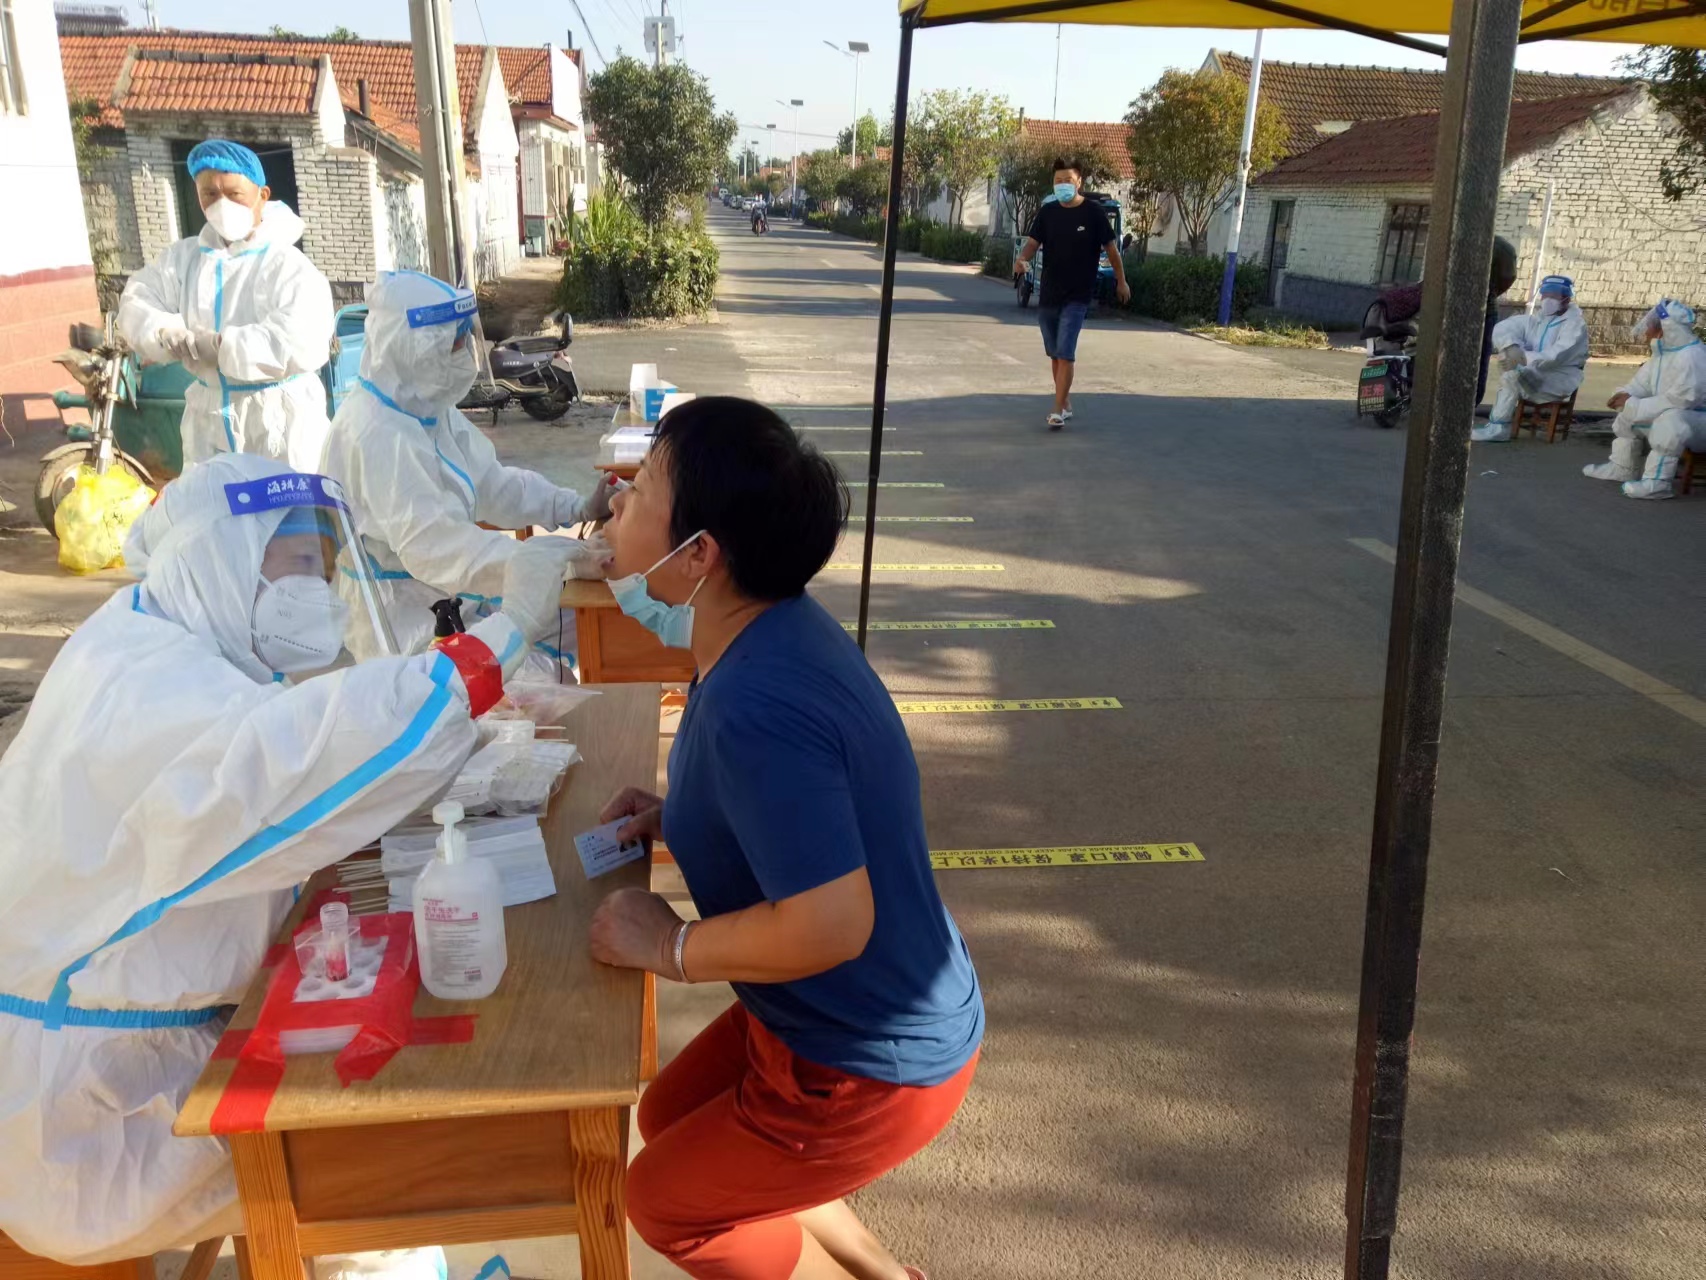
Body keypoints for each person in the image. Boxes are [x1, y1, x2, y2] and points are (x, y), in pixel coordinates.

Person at [0, 452, 573, 1264]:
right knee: (363, 1165)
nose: (318, 587)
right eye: (298, 560)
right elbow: (295, 756)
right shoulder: (152, 691)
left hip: (126, 1047)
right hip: (93, 1116)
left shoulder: (145, 632)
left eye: (326, 566)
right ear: (221, 555)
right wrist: (500, 636)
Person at [586, 397, 983, 1280]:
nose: (615, 499)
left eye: (640, 488)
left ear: (700, 556)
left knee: (664, 1204)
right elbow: (799, 799)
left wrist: (671, 946)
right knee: (668, 1122)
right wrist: (681, 814)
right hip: (835, 1015)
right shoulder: (766, 627)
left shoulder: (756, 704)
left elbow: (831, 924)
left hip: (866, 1059)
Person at [319, 270, 613, 661]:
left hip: (453, 596)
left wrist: (576, 506)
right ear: (413, 350)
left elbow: (493, 484)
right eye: (454, 344)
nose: (464, 354)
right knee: (544, 663)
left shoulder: (426, 410)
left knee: (584, 623)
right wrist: (558, 563)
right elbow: (437, 547)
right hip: (408, 625)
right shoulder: (374, 433)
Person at [118, 139, 334, 470]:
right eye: (210, 194)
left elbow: (303, 338)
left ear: (262, 195)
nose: (222, 204)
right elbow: (138, 297)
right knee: (212, 500)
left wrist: (224, 347)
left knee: (288, 500)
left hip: (279, 418)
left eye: (234, 194)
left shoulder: (286, 264)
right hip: (209, 416)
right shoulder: (185, 260)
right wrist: (162, 331)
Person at [1012, 158, 1131, 430]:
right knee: (1055, 353)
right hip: (1049, 293)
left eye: (1067, 180)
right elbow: (1032, 243)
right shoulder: (1048, 212)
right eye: (1058, 181)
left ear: (1079, 182)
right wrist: (1021, 259)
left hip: (1077, 295)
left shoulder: (1094, 213)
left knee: (1066, 352)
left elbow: (1112, 250)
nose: (1062, 185)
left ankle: (1057, 409)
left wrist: (1121, 281)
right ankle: (1064, 401)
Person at [1582, 297, 1706, 499]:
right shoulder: (1663, 356)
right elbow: (1640, 385)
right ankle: (1622, 468)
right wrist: (1623, 395)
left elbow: (1683, 400)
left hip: (1698, 422)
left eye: (1649, 328)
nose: (1645, 333)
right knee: (1627, 417)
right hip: (1681, 417)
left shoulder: (1693, 355)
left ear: (1663, 330)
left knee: (1670, 422)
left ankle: (1657, 483)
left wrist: (1634, 404)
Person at [1470, 274, 1589, 443]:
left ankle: (1499, 428)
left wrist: (1522, 358)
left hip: (1557, 379)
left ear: (1566, 299)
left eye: (1554, 296)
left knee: (1511, 376)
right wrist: (1511, 346)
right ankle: (1497, 427)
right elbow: (1505, 327)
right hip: (1535, 374)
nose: (1547, 300)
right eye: (1545, 295)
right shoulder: (1537, 320)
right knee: (1509, 369)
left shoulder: (1575, 326)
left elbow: (1556, 355)